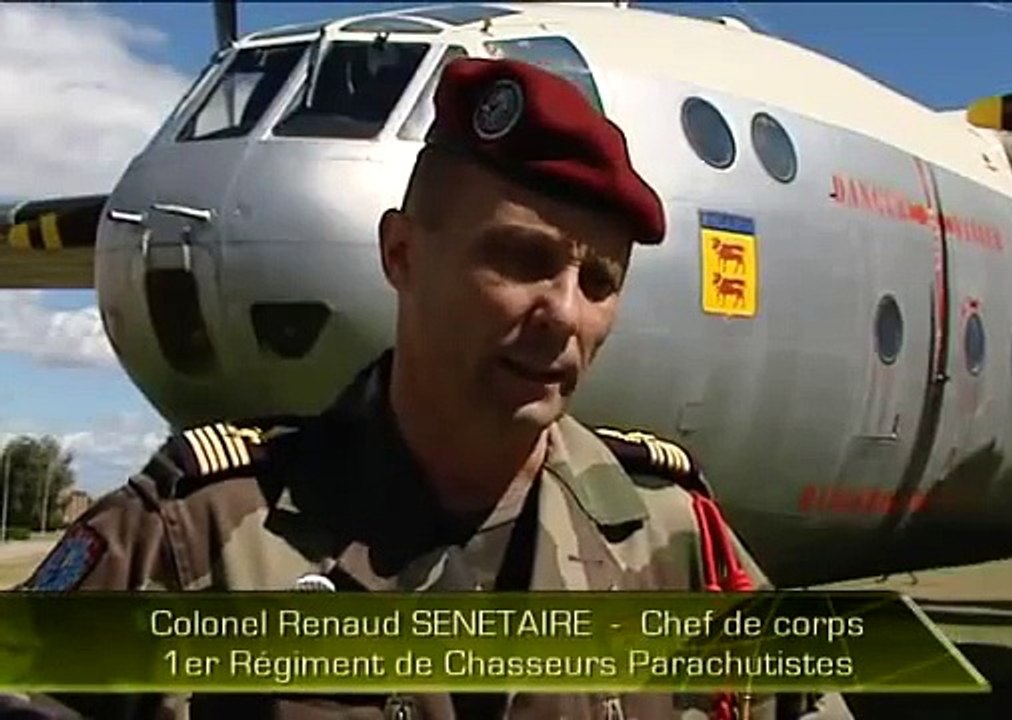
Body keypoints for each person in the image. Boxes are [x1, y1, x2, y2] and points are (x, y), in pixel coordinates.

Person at [5, 58, 782, 719]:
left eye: (600, 280)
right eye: (521, 259)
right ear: (402, 254)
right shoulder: (192, 541)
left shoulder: (673, 540)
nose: (565, 313)